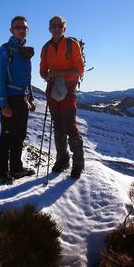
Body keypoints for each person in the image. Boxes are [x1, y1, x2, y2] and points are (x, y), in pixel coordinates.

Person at [40, 15, 85, 179]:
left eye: (59, 25)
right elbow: (42, 71)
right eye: (54, 25)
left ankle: (78, 163)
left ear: (64, 28)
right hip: (52, 90)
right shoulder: (45, 48)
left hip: (68, 89)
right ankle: (63, 159)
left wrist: (57, 73)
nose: (56, 28)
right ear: (49, 28)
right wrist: (48, 76)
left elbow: (79, 70)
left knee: (69, 125)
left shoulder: (71, 44)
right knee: (58, 125)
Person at [0, 15, 36, 185]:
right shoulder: (5, 50)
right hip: (10, 99)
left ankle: (16, 169)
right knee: (7, 136)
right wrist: (4, 104)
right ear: (11, 30)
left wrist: (30, 97)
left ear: (27, 30)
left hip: (22, 98)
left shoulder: (24, 51)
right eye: (17, 27)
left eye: (23, 27)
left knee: (19, 135)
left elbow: (27, 78)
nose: (21, 30)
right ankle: (1, 174)